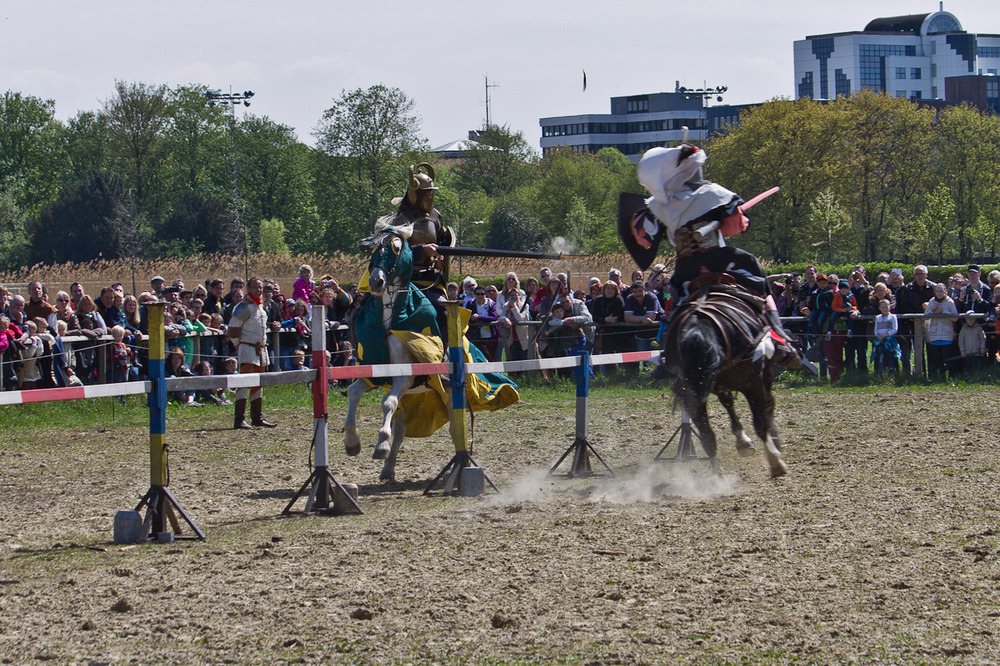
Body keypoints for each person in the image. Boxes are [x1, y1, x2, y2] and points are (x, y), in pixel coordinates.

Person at [632, 143, 801, 369]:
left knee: (680, 299)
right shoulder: (713, 193)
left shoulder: (659, 205)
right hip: (718, 258)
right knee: (756, 274)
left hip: (686, 267)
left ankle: (671, 351)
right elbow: (737, 225)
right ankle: (778, 334)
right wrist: (731, 215)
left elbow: (647, 236)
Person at [376, 162, 455, 342]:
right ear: (414, 195)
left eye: (431, 192)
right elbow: (394, 251)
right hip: (404, 278)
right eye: (425, 193)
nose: (430, 196)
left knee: (444, 312)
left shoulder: (435, 217)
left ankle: (443, 357)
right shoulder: (399, 220)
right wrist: (422, 251)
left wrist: (442, 258)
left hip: (429, 279)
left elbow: (443, 241)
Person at [226, 277, 276, 429]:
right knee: (244, 383)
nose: (258, 290)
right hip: (248, 348)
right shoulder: (243, 307)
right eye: (255, 287)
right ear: (248, 288)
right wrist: (237, 345)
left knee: (258, 384)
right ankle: (239, 419)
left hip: (260, 349)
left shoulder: (260, 307)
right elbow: (233, 330)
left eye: (260, 288)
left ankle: (257, 418)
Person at [924, 282, 958, 381]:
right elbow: (926, 316)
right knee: (937, 358)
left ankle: (950, 376)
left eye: (941, 291)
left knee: (947, 357)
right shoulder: (932, 302)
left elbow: (955, 318)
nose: (939, 293)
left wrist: (943, 312)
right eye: (937, 291)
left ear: (945, 291)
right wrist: (932, 311)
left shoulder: (949, 302)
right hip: (934, 335)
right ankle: (940, 377)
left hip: (946, 334)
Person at [465, 286, 500, 361]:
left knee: (491, 358)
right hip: (476, 336)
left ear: (485, 294)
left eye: (482, 294)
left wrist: (479, 317)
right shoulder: (471, 303)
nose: (480, 296)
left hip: (490, 336)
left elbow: (494, 317)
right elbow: (467, 317)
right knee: (478, 358)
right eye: (478, 294)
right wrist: (472, 318)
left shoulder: (491, 303)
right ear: (474, 295)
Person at [871, 298, 900, 378]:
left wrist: (886, 334)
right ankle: (880, 375)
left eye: (886, 306)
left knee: (891, 357)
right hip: (880, 340)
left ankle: (892, 375)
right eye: (882, 307)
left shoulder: (893, 317)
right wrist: (878, 335)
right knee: (880, 357)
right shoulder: (878, 318)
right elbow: (876, 329)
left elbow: (895, 329)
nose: (884, 309)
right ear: (879, 308)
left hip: (889, 340)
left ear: (890, 307)